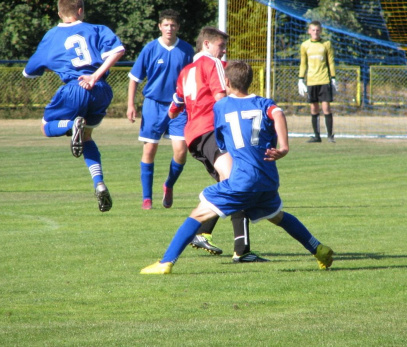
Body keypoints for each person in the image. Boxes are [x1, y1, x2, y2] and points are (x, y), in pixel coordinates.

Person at [141, 61, 334, 274]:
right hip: (267, 180)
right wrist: (284, 147)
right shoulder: (264, 103)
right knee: (278, 216)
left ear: (227, 82)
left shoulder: (221, 107)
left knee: (197, 214)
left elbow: (221, 141)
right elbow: (278, 113)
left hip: (243, 180)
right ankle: (319, 249)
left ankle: (166, 263)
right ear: (250, 81)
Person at [168, 27, 265, 262]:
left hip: (194, 137)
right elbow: (222, 99)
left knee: (231, 184)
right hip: (212, 131)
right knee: (235, 181)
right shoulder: (212, 65)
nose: (224, 51)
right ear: (207, 45)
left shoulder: (186, 71)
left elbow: (174, 108)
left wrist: (180, 112)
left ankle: (221, 240)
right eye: (221, 46)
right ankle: (232, 247)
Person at [23, 0, 124, 212]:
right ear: (80, 11)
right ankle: (99, 183)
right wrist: (95, 75)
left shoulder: (51, 36)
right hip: (101, 89)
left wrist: (59, 65)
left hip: (75, 87)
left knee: (45, 126)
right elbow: (118, 51)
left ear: (60, 14)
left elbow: (29, 71)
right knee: (86, 136)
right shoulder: (97, 29)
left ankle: (70, 126)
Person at [126, 9, 193, 210]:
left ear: (178, 27)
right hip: (153, 104)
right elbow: (134, 78)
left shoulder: (187, 50)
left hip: (179, 106)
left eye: (173, 25)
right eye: (166, 25)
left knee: (181, 151)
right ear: (160, 27)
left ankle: (169, 185)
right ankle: (147, 198)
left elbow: (193, 80)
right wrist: (130, 104)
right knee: (149, 149)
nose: (169, 28)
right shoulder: (150, 49)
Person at [298, 21, 337, 143]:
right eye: (313, 30)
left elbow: (330, 62)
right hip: (311, 81)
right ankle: (316, 136)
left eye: (317, 30)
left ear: (321, 31)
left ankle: (330, 136)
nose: (315, 32)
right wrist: (300, 79)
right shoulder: (305, 45)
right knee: (314, 109)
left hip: (324, 79)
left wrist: (333, 78)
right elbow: (303, 63)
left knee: (326, 108)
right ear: (309, 31)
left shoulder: (326, 44)